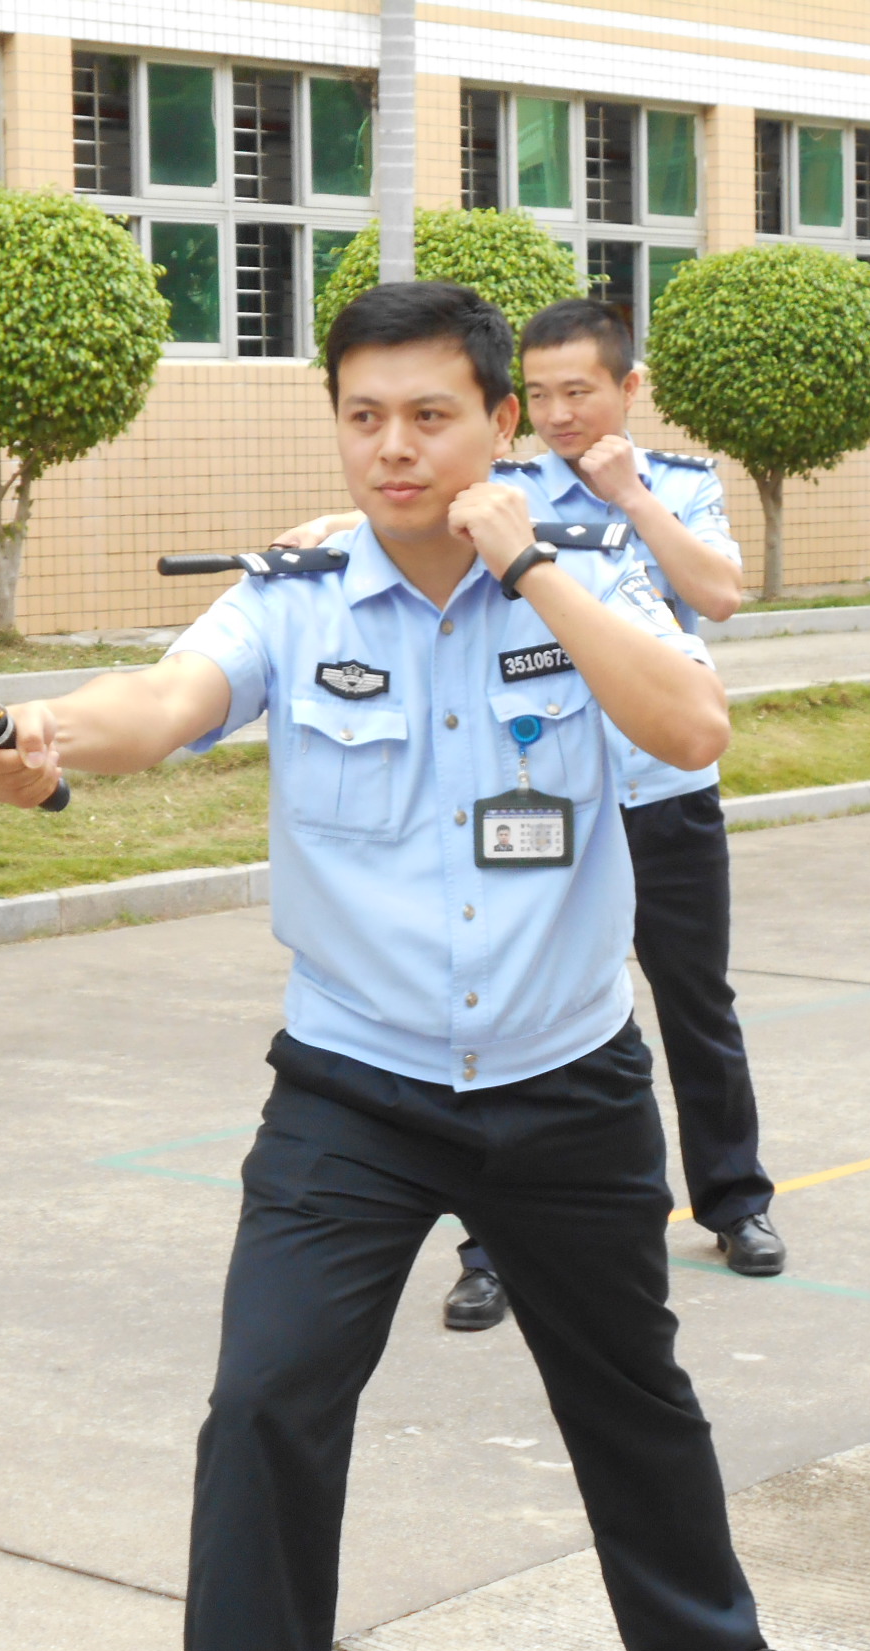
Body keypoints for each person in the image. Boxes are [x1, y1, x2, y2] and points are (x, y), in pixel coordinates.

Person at [0, 281, 812, 1651]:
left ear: (499, 422)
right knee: (265, 1402)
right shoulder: (299, 595)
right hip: (357, 1088)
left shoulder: (591, 567)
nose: (395, 449)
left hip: (567, 1077)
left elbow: (692, 722)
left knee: (631, 1404)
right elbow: (168, 705)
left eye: (432, 416)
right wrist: (47, 731)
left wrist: (532, 565)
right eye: (364, 418)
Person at [280, 297, 782, 1335]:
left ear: (627, 388)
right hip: (532, 789)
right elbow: (400, 521)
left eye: (580, 392)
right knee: (498, 999)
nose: (559, 414)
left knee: (695, 1001)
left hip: (661, 790)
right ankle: (490, 1247)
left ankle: (735, 1199)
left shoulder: (682, 483)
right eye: (541, 395)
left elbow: (719, 595)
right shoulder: (483, 476)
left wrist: (629, 498)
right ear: (511, 409)